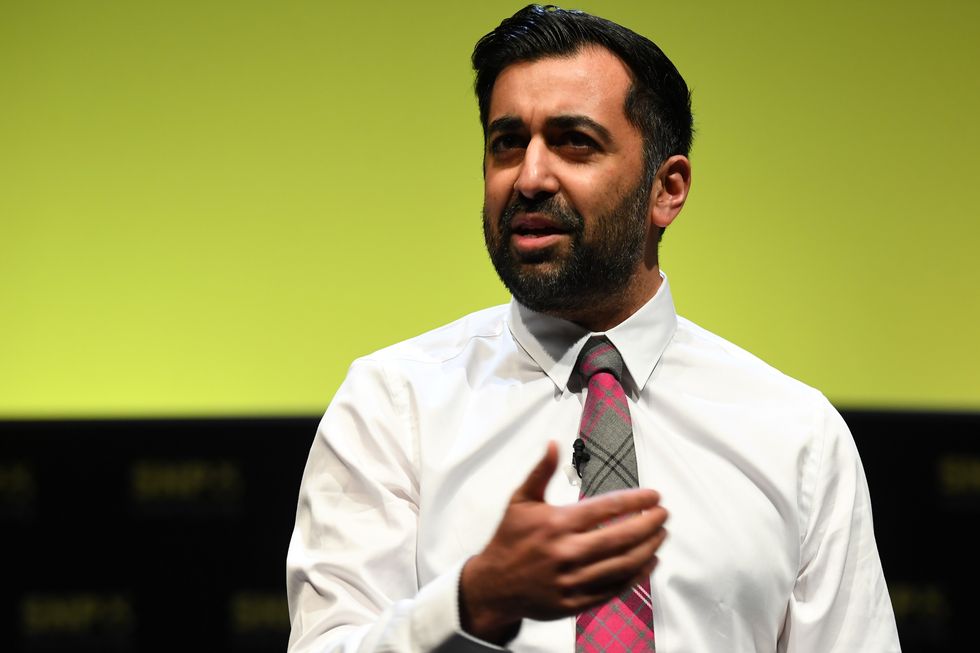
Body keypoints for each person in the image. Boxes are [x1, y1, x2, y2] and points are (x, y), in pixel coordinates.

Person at [286, 5, 901, 652]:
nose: (529, 176)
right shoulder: (392, 404)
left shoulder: (796, 434)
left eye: (574, 141)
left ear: (668, 189)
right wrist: (471, 601)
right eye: (507, 143)